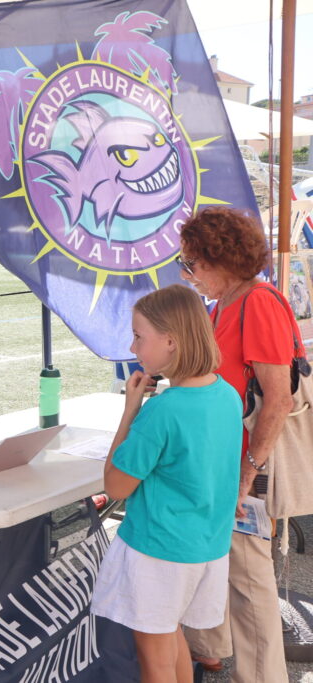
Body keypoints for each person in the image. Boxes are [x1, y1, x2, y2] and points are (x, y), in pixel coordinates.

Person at [90, 284, 241, 682]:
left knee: (155, 661)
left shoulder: (162, 410)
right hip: (206, 546)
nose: (133, 346)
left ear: (171, 341)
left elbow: (115, 486)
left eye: (139, 336)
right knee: (172, 636)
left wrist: (130, 411)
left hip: (158, 551)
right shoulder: (227, 394)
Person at [178, 207, 296, 681]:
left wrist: (249, 470)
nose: (188, 274)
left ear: (218, 259)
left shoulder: (258, 302)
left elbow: (279, 398)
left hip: (241, 464)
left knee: (248, 581)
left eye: (191, 264)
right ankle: (210, 647)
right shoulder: (223, 304)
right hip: (219, 459)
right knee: (216, 563)